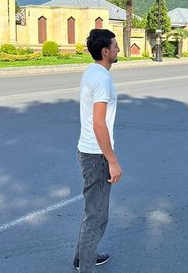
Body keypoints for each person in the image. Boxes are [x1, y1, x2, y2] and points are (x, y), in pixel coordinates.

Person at [74, 29, 122, 272]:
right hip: (96, 155)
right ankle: (86, 267)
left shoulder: (91, 71)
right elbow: (99, 123)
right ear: (105, 52)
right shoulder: (102, 78)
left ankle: (81, 257)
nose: (118, 49)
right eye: (115, 46)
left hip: (87, 151)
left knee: (91, 210)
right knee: (97, 217)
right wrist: (112, 160)